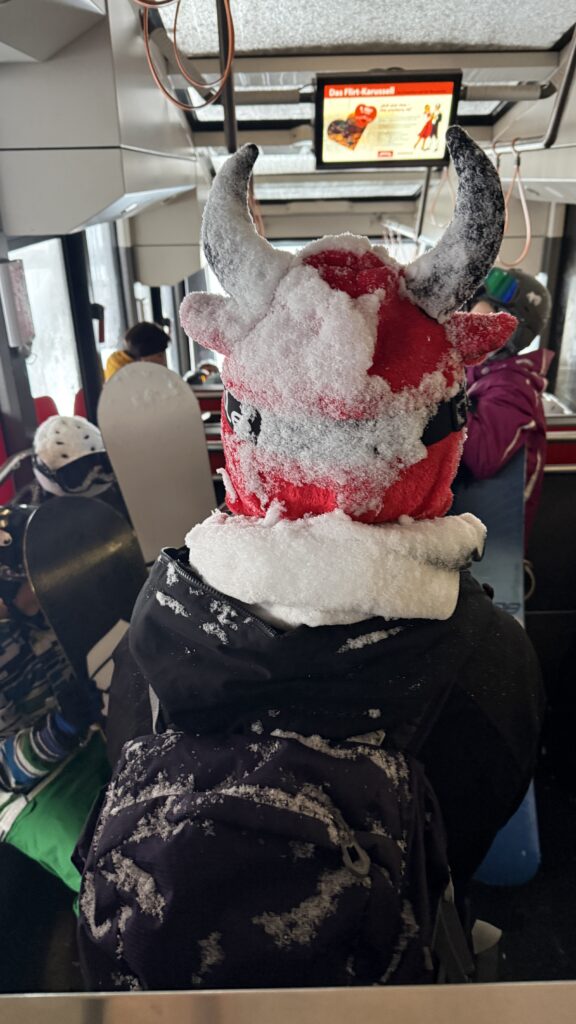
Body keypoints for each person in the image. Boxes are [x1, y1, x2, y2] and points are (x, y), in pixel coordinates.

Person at [78, 130, 543, 990]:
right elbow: (473, 834)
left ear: (238, 430)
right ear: (440, 426)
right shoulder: (492, 661)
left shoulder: (157, 626)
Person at [461, 267, 553, 539]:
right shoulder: (480, 369)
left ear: (512, 331)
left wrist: (446, 393)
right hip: (468, 523)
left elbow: (483, 458)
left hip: (494, 543)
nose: (469, 333)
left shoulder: (514, 386)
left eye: (481, 326)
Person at [104, 322, 170, 382]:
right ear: (144, 356)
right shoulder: (128, 377)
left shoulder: (115, 360)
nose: (163, 361)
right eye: (160, 355)